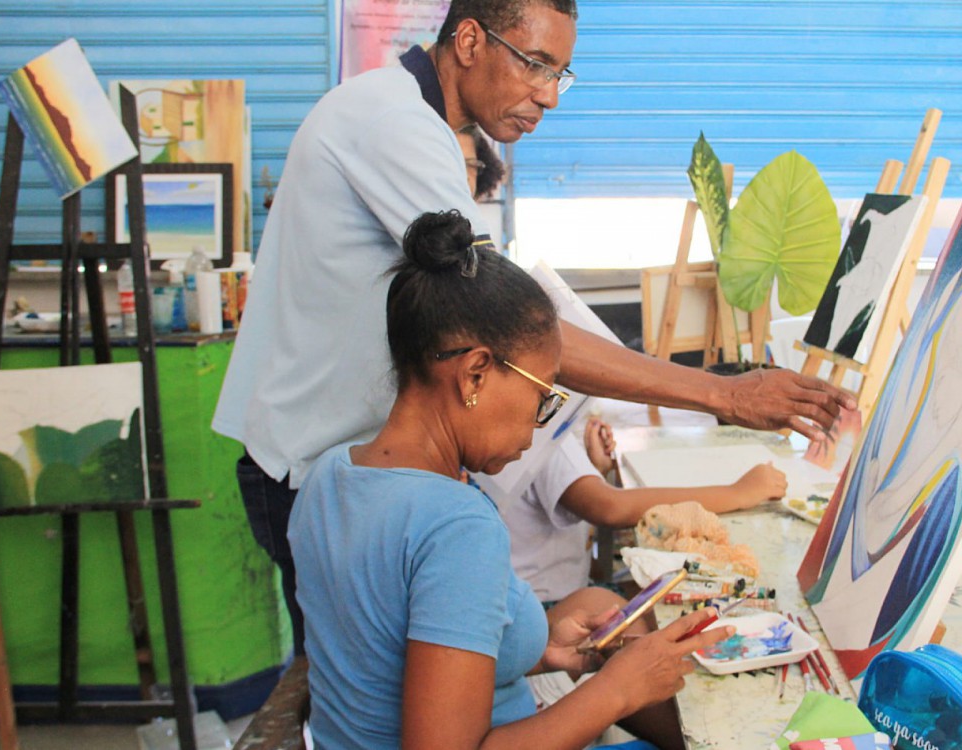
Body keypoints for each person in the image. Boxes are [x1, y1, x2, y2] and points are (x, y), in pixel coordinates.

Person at [214, 0, 854, 655]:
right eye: (534, 65)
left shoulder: (399, 112)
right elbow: (506, 323)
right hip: (312, 472)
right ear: (468, 40)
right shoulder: (395, 124)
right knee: (375, 699)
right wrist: (721, 393)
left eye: (561, 74)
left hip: (341, 468)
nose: (548, 96)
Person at [288, 209, 730, 749]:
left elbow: (381, 653)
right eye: (541, 395)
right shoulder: (456, 526)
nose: (539, 420)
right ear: (474, 373)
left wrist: (538, 652)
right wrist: (616, 691)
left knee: (596, 606)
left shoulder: (329, 475)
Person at [504, 416, 787, 603]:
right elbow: (610, 507)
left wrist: (592, 472)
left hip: (544, 595)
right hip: (546, 608)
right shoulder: (541, 430)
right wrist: (737, 492)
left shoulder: (533, 425)